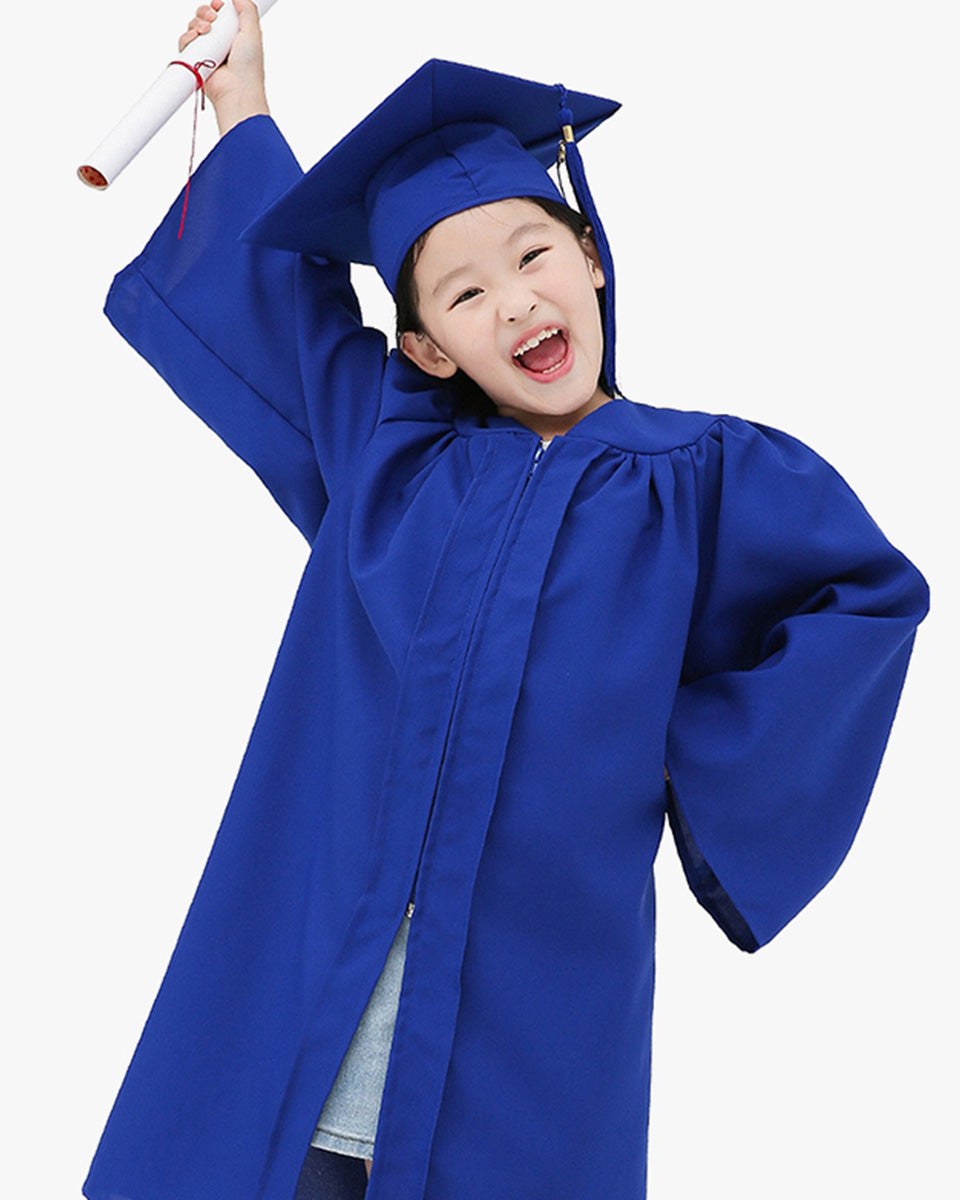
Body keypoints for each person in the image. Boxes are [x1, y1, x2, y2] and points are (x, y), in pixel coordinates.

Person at [82, 2, 930, 1199]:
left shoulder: (705, 477)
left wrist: (680, 753)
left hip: (525, 1039)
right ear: (427, 349)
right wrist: (245, 103)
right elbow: (292, 311)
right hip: (306, 1002)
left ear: (588, 255)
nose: (517, 304)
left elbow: (862, 602)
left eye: (532, 257)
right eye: (464, 296)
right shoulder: (389, 458)